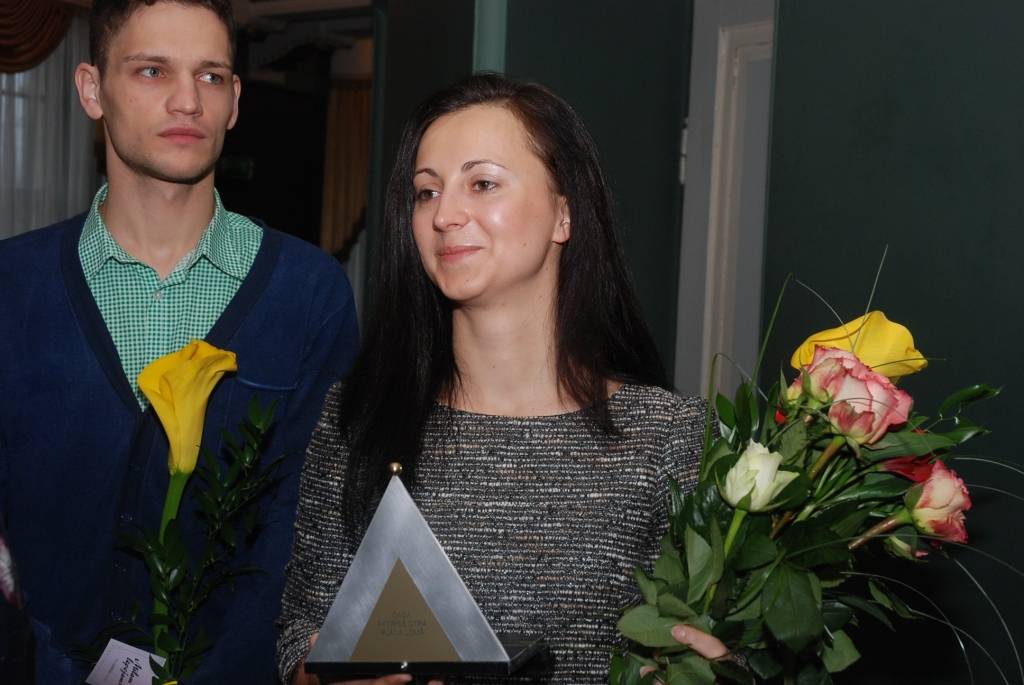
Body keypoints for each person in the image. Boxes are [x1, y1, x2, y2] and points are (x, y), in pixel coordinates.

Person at [276, 74, 725, 685]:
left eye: (482, 183)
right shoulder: (358, 418)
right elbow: (302, 635)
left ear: (563, 214)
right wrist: (317, 675)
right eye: (426, 192)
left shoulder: (669, 436)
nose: (444, 215)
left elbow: (732, 642)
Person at [0, 1, 359, 682]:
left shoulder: (310, 294)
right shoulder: (11, 288)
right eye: (152, 70)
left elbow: (313, 525)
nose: (188, 100)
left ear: (235, 101)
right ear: (91, 90)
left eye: (211, 76)